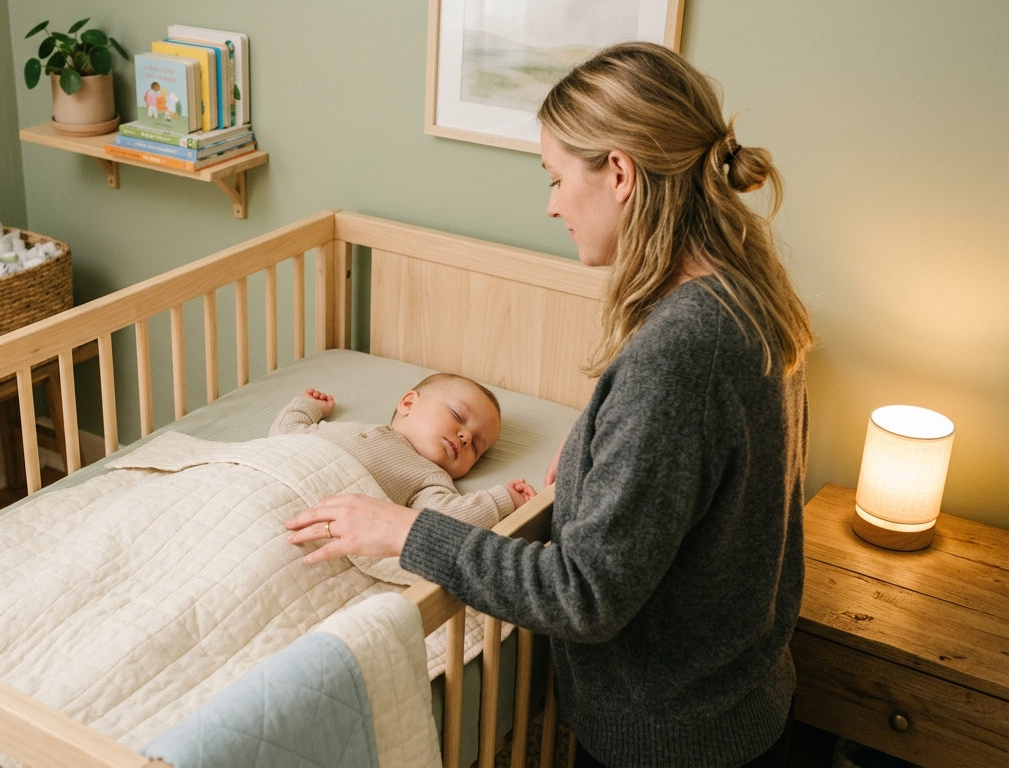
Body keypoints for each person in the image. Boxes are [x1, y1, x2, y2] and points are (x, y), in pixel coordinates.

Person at [285, 41, 812, 768]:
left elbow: (584, 598)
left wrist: (405, 530)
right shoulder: (745, 295)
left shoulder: (681, 351)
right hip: (738, 704)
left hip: (675, 740)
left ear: (620, 172)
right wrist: (599, 468)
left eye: (558, 177)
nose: (552, 203)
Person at [270, 373, 535, 529]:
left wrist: (503, 499)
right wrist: (307, 406)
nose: (466, 437)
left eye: (476, 447)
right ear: (408, 402)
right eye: (457, 415)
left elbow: (444, 519)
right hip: (275, 477)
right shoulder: (345, 428)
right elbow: (284, 436)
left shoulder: (430, 479)